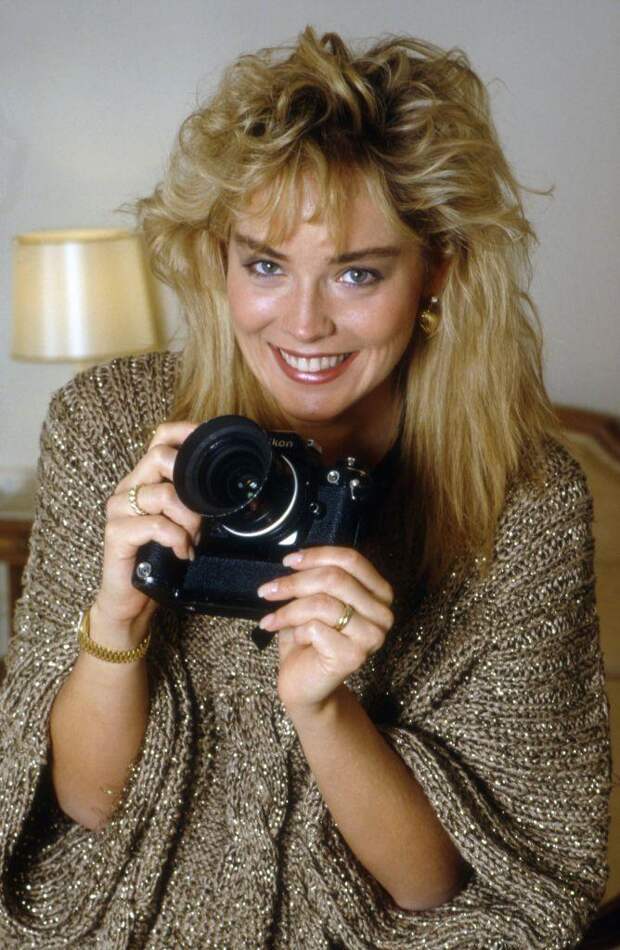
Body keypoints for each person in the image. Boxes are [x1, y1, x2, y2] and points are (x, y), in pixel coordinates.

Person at [0, 27, 610, 949]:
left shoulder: (521, 501)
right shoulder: (114, 428)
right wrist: (117, 622)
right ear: (219, 258)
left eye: (358, 273)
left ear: (436, 267)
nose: (305, 323)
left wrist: (323, 706)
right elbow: (88, 808)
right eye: (266, 265)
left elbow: (438, 888)